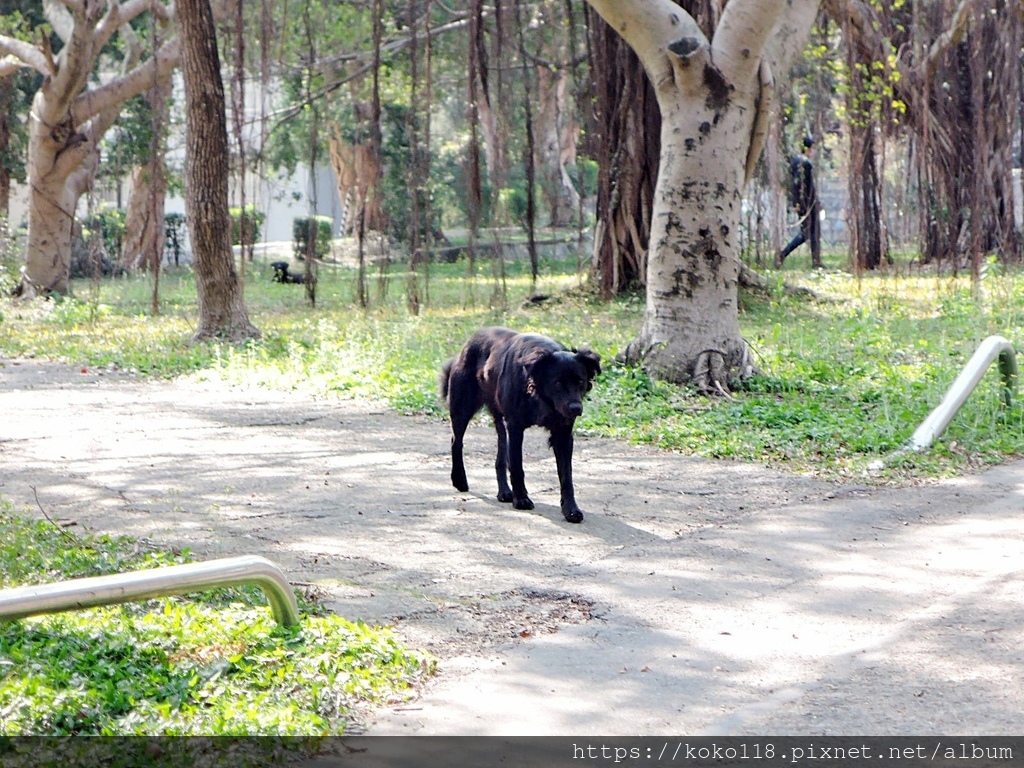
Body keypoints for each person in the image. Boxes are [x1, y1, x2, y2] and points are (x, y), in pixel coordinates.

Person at [775, 135, 822, 269]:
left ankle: (815, 261)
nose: (813, 151)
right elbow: (804, 185)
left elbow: (793, 185)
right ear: (808, 148)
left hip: (801, 202)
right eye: (812, 148)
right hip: (807, 203)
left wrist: (795, 202)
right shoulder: (806, 163)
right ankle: (785, 254)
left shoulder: (795, 161)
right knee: (809, 232)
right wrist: (809, 202)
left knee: (809, 232)